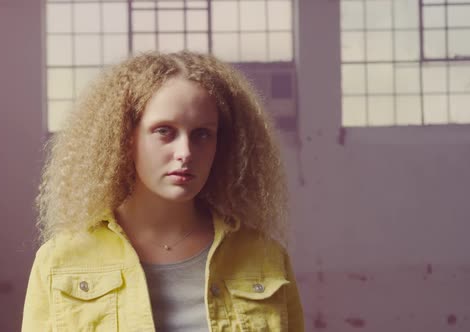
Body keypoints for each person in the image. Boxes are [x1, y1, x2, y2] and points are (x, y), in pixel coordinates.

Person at [22, 51, 304, 332]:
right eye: (164, 131)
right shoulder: (61, 261)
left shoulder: (264, 256)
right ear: (126, 138)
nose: (185, 153)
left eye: (202, 134)